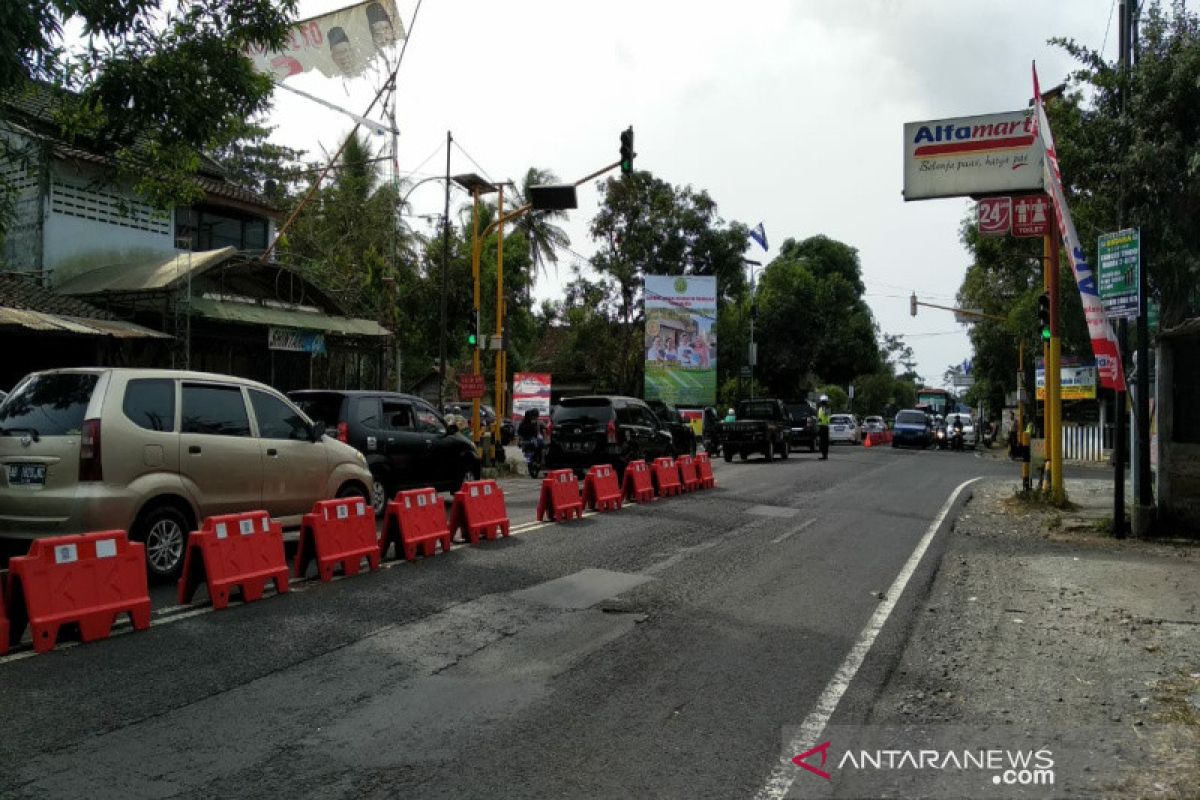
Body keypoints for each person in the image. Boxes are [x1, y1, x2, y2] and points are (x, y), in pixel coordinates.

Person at [817, 396, 831, 460]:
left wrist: (825, 408)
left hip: (825, 427)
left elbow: (826, 414)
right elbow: (820, 417)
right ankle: (823, 455)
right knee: (821, 442)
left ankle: (825, 455)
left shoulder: (827, 408)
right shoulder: (820, 408)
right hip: (821, 426)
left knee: (825, 442)